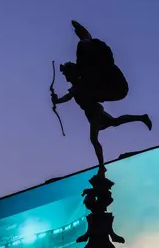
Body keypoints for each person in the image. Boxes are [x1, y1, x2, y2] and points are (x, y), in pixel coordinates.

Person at [52, 21, 152, 172]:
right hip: (94, 112)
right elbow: (68, 95)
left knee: (94, 139)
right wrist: (57, 101)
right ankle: (142, 117)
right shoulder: (80, 83)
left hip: (95, 113)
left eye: (67, 75)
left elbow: (68, 96)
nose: (66, 79)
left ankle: (101, 166)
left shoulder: (80, 84)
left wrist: (57, 101)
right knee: (116, 122)